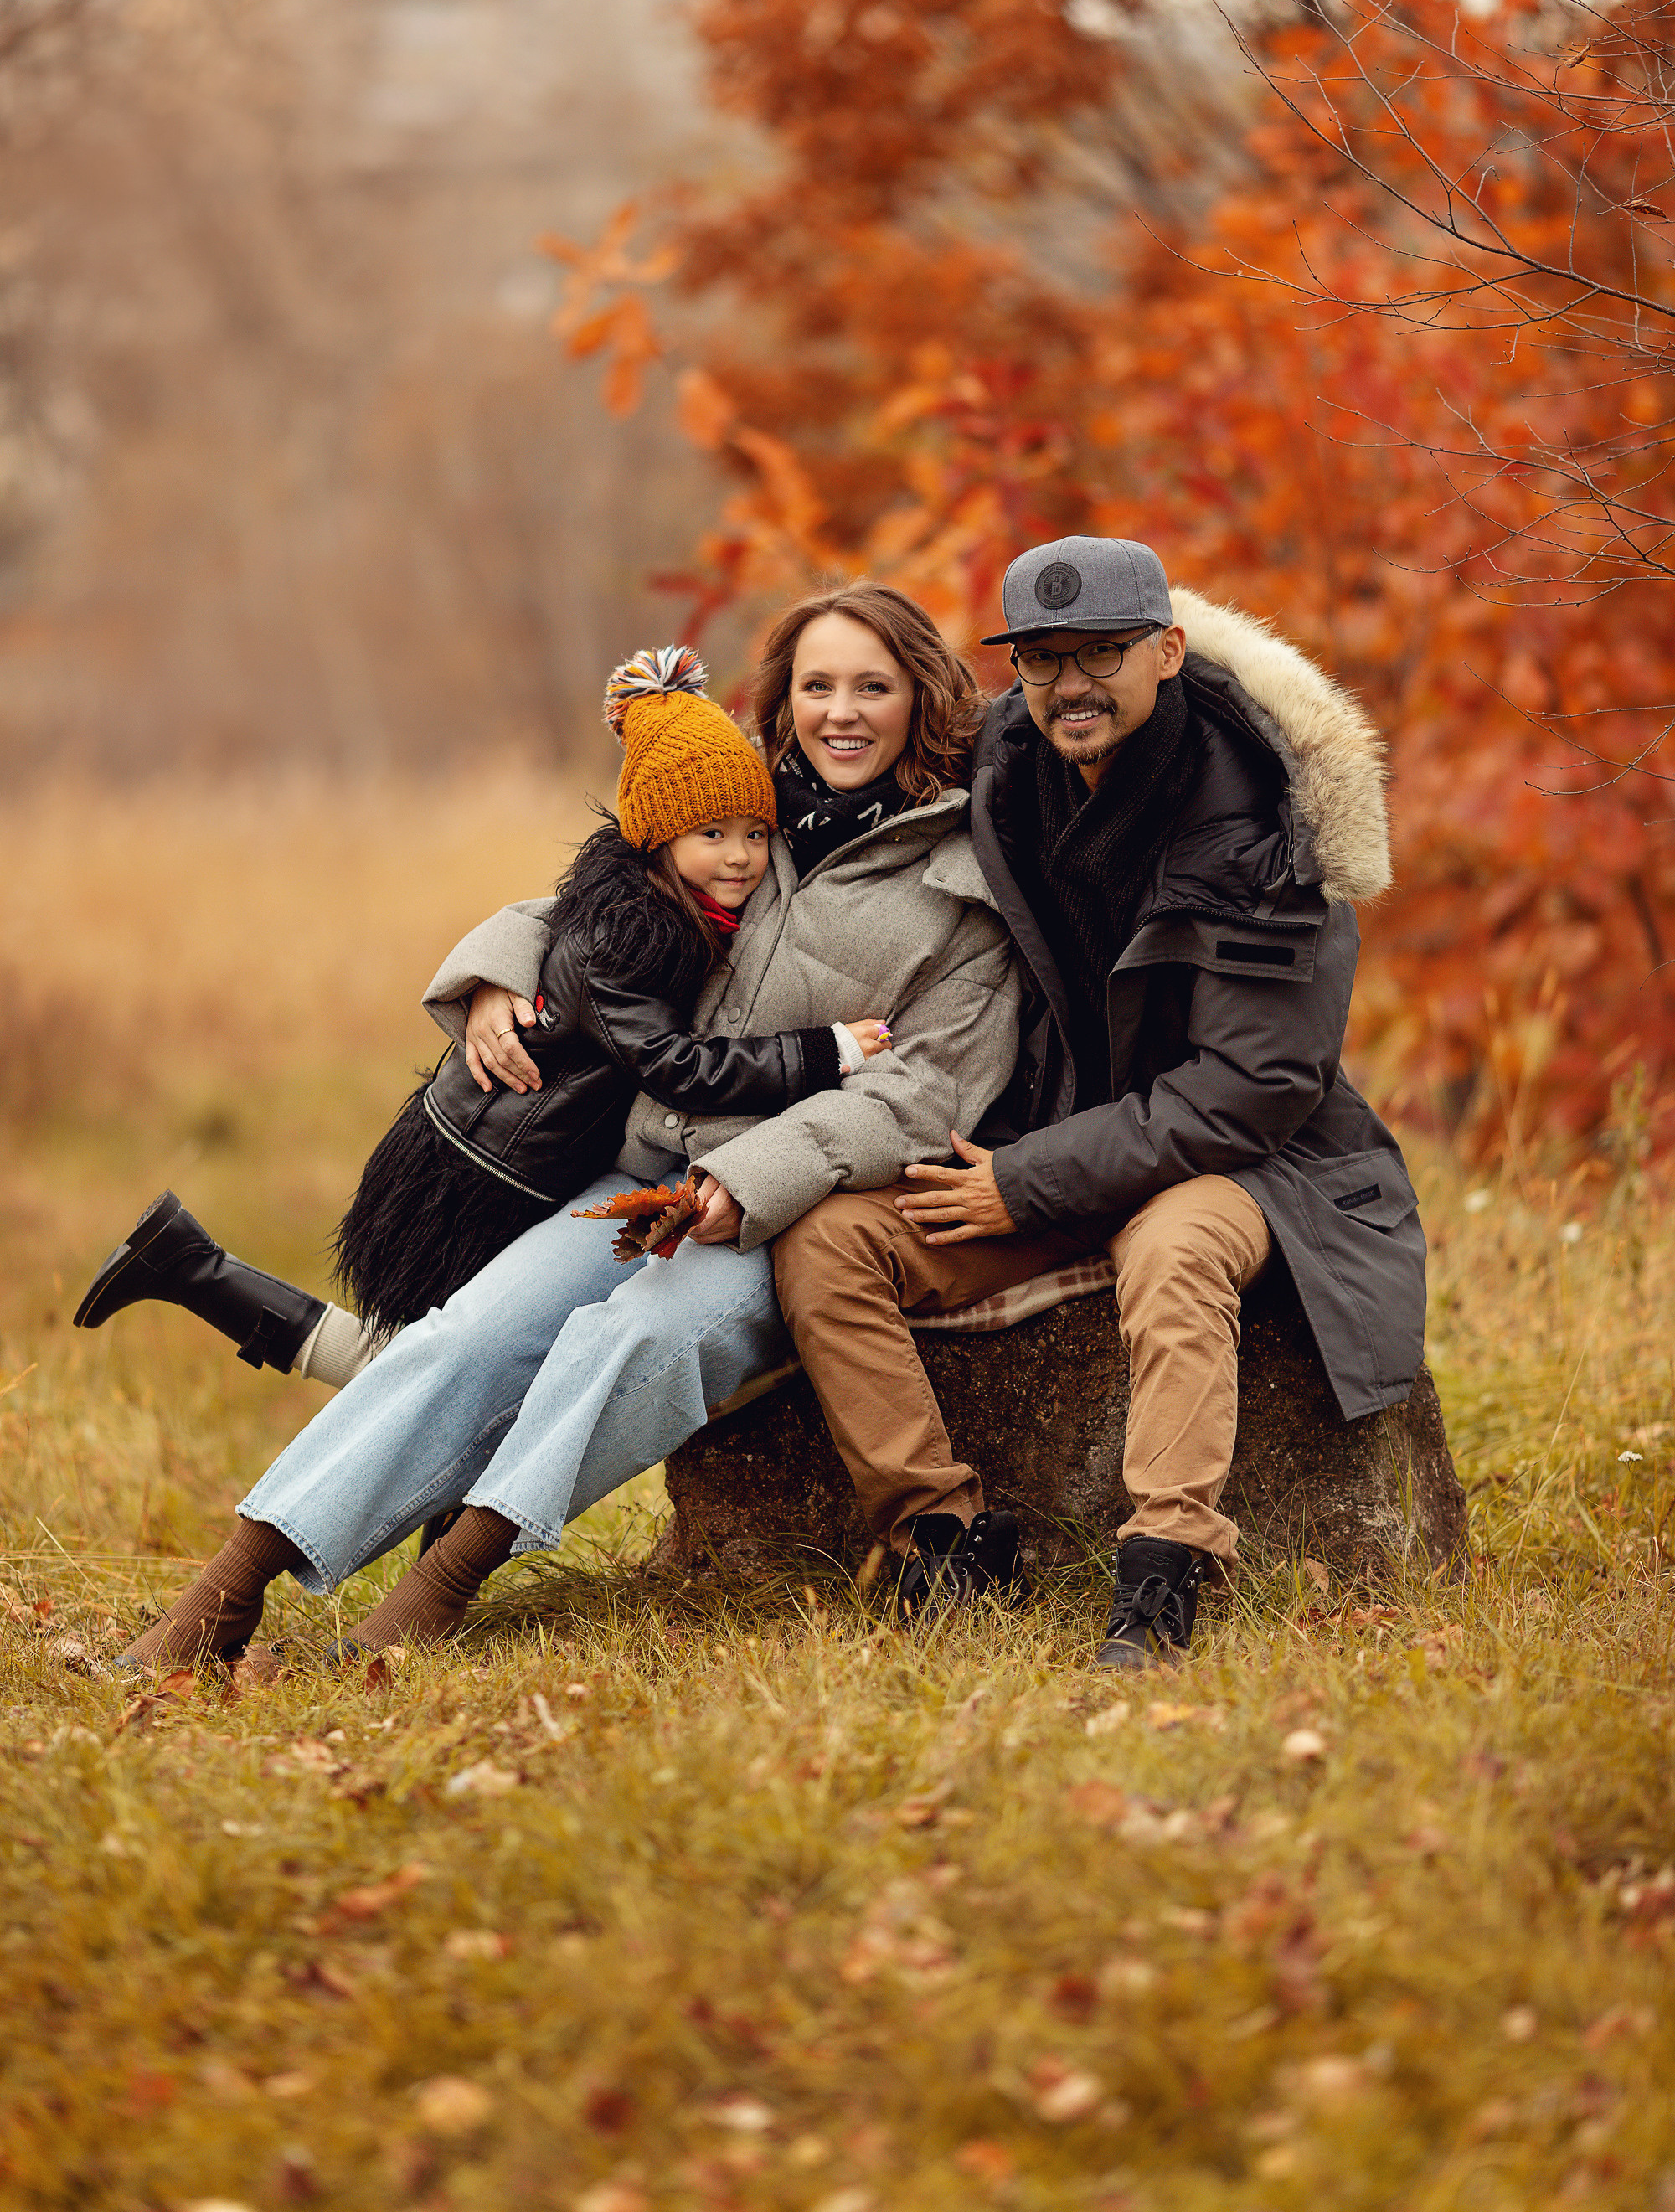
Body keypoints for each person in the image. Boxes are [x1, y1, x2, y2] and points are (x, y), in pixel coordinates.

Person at [106, 583, 1023, 1670]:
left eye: (874, 685)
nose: (843, 711)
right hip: (627, 1177)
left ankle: (447, 1586)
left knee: (633, 1340)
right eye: (817, 684)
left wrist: (759, 1175)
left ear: (924, 695)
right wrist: (497, 973)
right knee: (471, 1336)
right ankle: (225, 1592)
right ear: (784, 698)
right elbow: (601, 910)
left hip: (781, 1214)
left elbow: (921, 1091)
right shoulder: (741, 805)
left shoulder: (964, 883)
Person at [770, 534, 1427, 1671]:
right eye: (1041, 658)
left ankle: (1164, 1570)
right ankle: (946, 1540)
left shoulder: (1268, 819)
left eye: (1103, 654)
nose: (1070, 684)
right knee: (831, 1241)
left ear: (1167, 650)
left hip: (1253, 1168)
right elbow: (795, 795)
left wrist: (1026, 1182)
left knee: (1172, 1253)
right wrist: (535, 952)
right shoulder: (1006, 768)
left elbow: (1257, 1086)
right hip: (1062, 1139)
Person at [78, 646, 890, 1373]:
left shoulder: (684, 906)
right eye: (714, 834)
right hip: (485, 1169)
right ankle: (192, 1268)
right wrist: (826, 1051)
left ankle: (186, 1265)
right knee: (430, 1363)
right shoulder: (634, 936)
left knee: (433, 1361)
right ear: (657, 837)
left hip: (527, 1156)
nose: (743, 855)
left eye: (755, 833)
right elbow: (676, 1066)